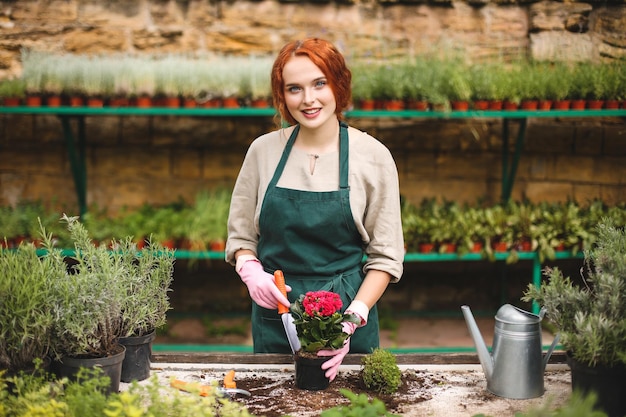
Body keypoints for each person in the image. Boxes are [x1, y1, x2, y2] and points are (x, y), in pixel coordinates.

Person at [225, 38, 404, 381]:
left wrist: (351, 321)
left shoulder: (373, 157)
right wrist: (250, 270)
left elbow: (385, 258)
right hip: (277, 311)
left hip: (349, 312)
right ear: (282, 95)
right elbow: (241, 236)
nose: (308, 99)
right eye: (294, 88)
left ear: (339, 84)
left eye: (319, 83)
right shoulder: (263, 152)